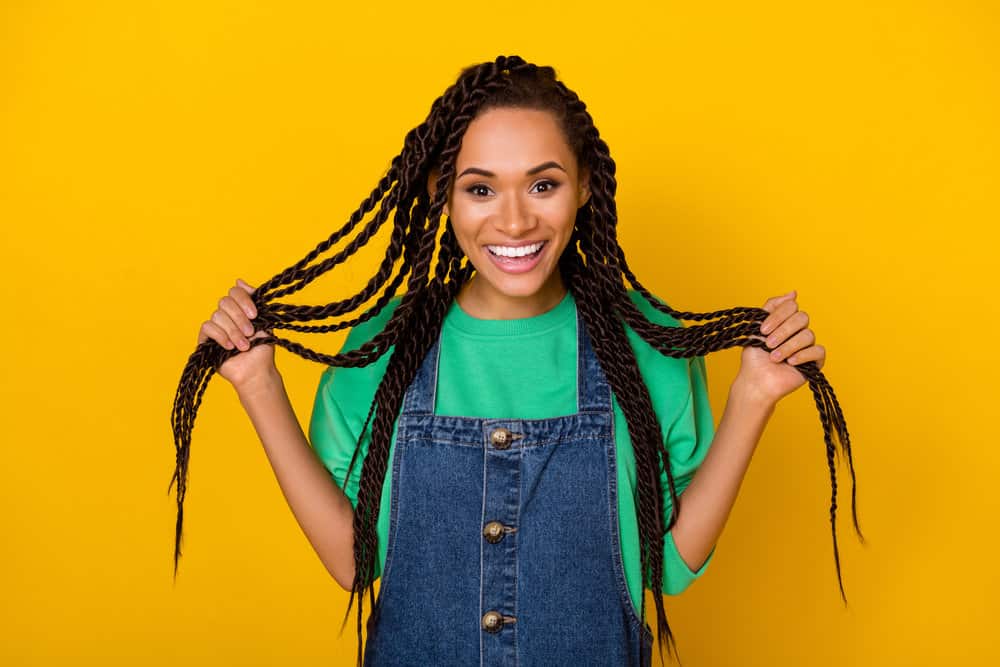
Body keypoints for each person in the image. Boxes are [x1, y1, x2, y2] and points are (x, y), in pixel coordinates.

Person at [174, 55, 860, 667]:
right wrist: (259, 385)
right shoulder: (386, 346)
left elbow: (671, 566)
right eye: (480, 189)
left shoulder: (644, 345)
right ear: (443, 195)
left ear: (585, 186)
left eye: (542, 185)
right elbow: (353, 563)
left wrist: (752, 398)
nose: (513, 222)